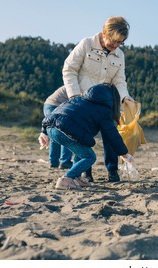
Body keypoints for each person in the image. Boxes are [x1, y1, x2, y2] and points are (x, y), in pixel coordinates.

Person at [62, 16, 134, 182]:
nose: (115, 46)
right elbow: (69, 69)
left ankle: (112, 171)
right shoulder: (86, 44)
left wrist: (125, 97)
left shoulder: (119, 55)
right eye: (113, 41)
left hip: (106, 102)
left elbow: (119, 80)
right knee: (83, 137)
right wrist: (74, 96)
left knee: (111, 134)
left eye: (120, 43)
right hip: (83, 102)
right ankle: (86, 173)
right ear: (104, 33)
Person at [38, 84, 134, 190]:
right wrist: (124, 154)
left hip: (51, 128)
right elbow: (112, 135)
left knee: (82, 149)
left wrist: (44, 132)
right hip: (65, 130)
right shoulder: (104, 110)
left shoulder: (79, 99)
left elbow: (57, 111)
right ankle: (67, 178)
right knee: (89, 157)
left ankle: (77, 178)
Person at [43, 86, 73, 169]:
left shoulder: (73, 82)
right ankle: (65, 161)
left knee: (54, 134)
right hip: (55, 106)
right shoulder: (75, 85)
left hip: (49, 105)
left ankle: (54, 162)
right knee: (66, 134)